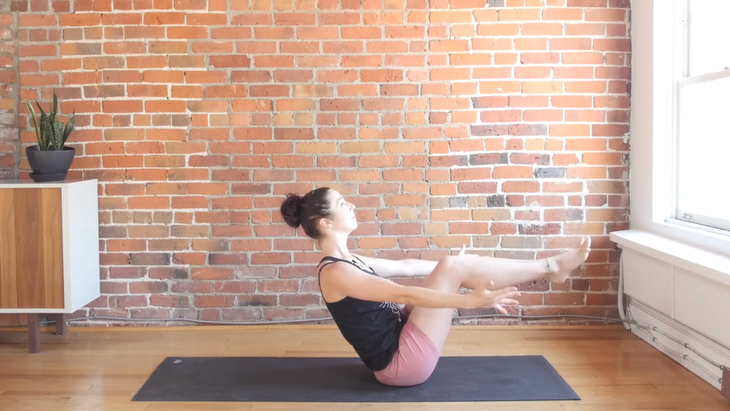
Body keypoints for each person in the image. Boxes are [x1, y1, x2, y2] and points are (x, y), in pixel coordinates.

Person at [279, 187, 590, 387]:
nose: (352, 206)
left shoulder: (349, 259)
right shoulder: (335, 273)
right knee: (454, 267)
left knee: (453, 264)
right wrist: (467, 300)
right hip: (400, 365)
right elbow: (401, 293)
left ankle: (551, 268)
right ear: (326, 223)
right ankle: (550, 267)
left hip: (401, 337)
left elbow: (407, 267)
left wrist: (454, 269)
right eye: (343, 204)